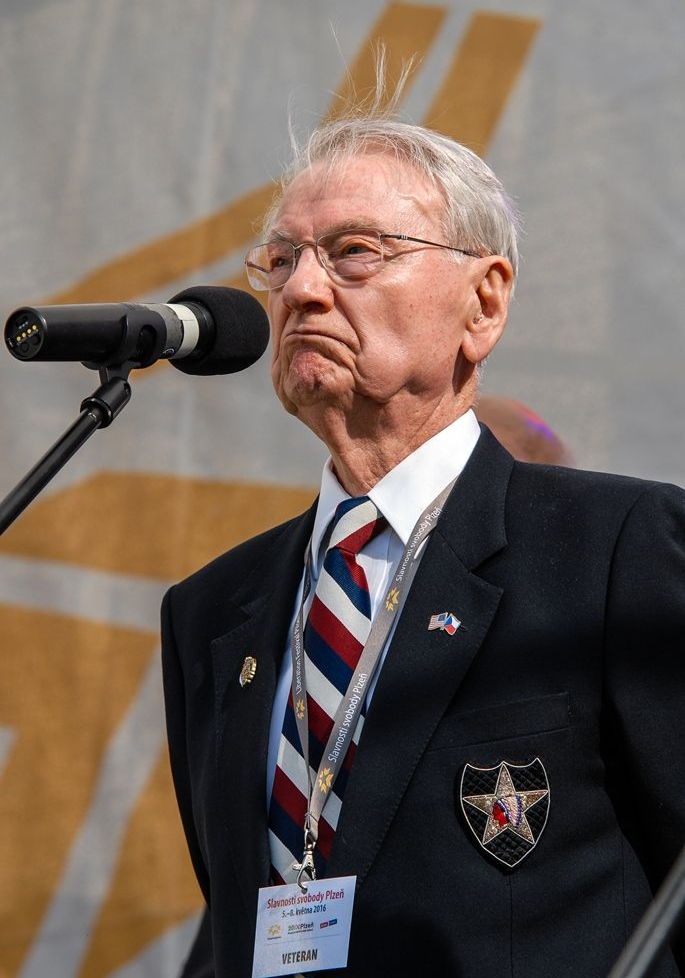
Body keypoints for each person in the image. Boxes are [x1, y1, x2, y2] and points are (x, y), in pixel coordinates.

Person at [161, 113, 685, 978]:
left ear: (483, 300)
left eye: (355, 251)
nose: (302, 291)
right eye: (282, 260)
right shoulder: (213, 609)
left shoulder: (613, 551)